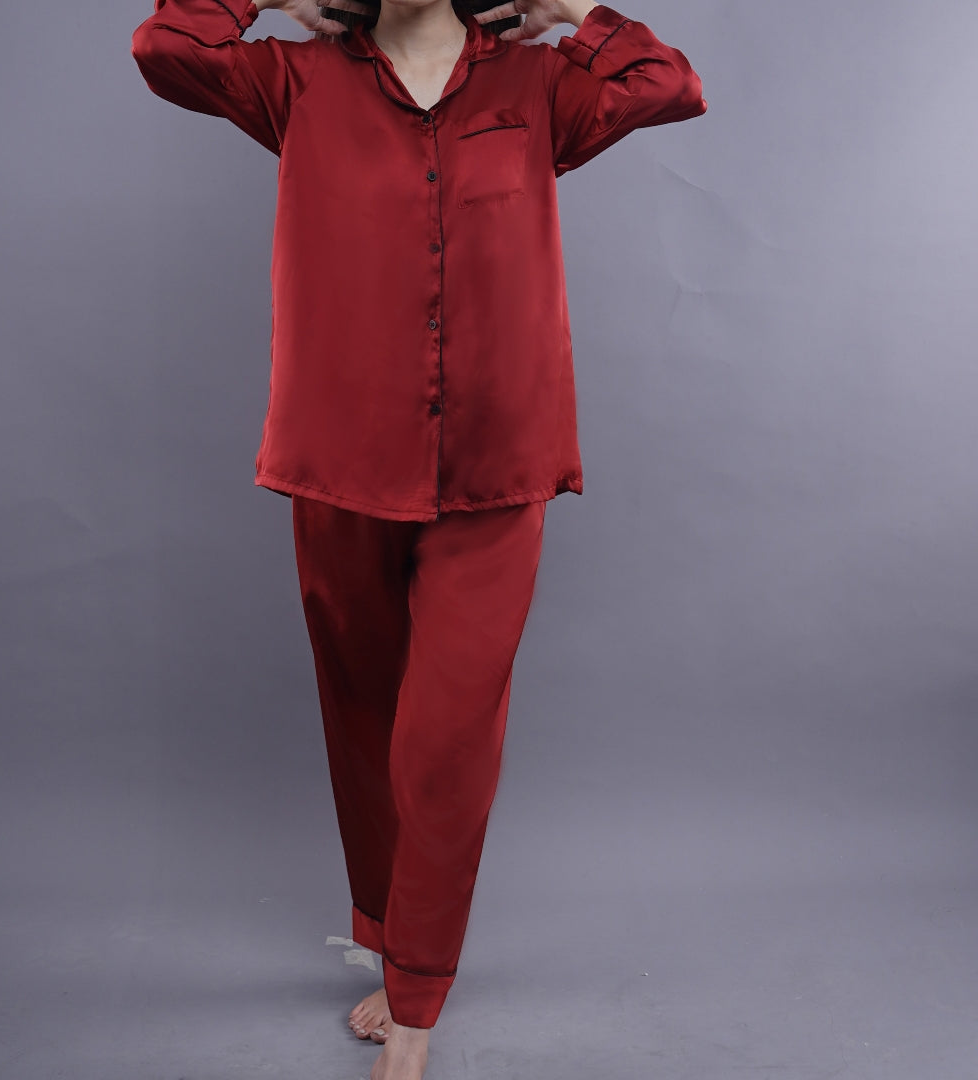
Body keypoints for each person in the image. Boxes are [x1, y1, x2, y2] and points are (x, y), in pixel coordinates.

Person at [131, 2, 705, 1076]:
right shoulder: (296, 83)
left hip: (497, 465)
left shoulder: (536, 87)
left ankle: (419, 1001)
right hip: (340, 459)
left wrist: (569, 8)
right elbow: (166, 47)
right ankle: (391, 942)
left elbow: (669, 83)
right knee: (362, 715)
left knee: (444, 739)